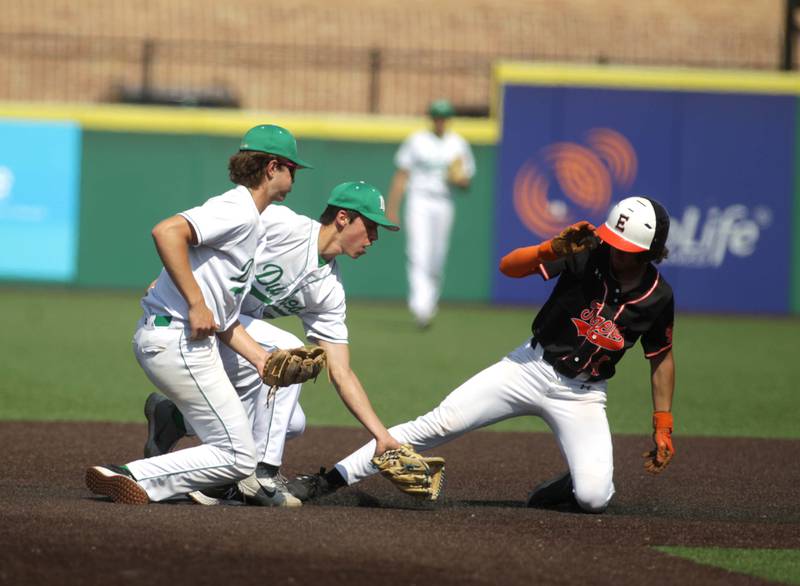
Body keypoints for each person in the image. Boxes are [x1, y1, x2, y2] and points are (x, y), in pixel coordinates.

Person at [287, 196, 676, 513]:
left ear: (651, 253)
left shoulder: (658, 297)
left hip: (584, 395)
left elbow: (661, 359)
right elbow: (509, 267)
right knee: (437, 424)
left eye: (627, 249)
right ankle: (327, 480)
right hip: (529, 367)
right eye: (614, 241)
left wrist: (663, 425)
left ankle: (571, 483)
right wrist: (550, 248)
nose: (616, 251)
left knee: (595, 498)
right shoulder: (587, 252)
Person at [141, 181, 407, 507]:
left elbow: (341, 371)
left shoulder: (330, 292)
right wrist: (171, 282)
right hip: (201, 321)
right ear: (342, 218)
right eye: (369, 226)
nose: (374, 238)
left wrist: (381, 435)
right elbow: (207, 235)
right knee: (287, 350)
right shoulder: (282, 226)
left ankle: (174, 420)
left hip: (234, 334)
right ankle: (261, 473)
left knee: (292, 423)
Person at [85, 124, 310, 504]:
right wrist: (194, 301)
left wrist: (260, 359)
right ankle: (129, 476)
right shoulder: (238, 209)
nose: (294, 177)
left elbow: (224, 319)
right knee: (239, 456)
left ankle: (155, 477)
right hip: (176, 341)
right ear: (272, 167)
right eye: (292, 168)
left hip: (184, 342)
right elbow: (166, 232)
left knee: (241, 449)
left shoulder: (251, 221)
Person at [386, 98, 476, 329]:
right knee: (417, 252)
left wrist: (458, 178)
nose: (440, 121)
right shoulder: (417, 141)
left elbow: (466, 182)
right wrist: (392, 207)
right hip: (419, 200)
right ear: (432, 118)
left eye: (444, 116)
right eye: (437, 116)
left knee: (437, 256)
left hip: (444, 201)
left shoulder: (457, 144)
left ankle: (429, 302)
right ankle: (420, 308)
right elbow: (402, 174)